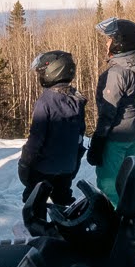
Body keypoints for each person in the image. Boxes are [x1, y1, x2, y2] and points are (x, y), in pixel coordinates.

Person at [18, 49, 86, 217]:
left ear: (52, 72)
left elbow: (37, 136)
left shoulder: (46, 100)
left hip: (44, 166)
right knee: (62, 197)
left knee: (33, 199)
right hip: (67, 165)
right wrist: (75, 161)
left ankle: (36, 229)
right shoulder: (77, 99)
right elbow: (80, 135)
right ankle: (67, 227)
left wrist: (26, 161)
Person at [87, 16, 135, 206]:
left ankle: (115, 224)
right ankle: (129, 214)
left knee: (109, 183)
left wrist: (98, 139)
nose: (107, 42)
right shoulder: (134, 66)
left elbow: (108, 109)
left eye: (110, 39)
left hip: (117, 135)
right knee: (127, 179)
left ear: (120, 43)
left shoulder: (117, 73)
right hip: (133, 131)